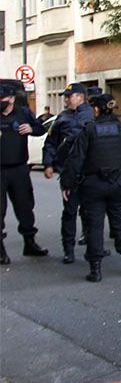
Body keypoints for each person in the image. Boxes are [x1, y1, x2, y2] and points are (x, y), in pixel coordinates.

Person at [60, 93, 121, 282]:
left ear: (96, 109)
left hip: (93, 185)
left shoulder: (89, 130)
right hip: (118, 183)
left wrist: (67, 184)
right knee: (120, 223)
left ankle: (96, 270)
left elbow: (76, 159)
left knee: (94, 226)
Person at [42, 83, 94, 263]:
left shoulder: (93, 115)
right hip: (69, 172)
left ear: (80, 96)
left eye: (69, 96)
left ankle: (94, 246)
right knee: (70, 212)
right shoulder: (62, 118)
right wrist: (48, 164)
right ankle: (69, 249)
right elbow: (50, 142)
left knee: (91, 212)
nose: (66, 100)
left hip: (90, 172)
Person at [0, 80, 48, 264]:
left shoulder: (24, 113)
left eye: (3, 98)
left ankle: (30, 243)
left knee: (25, 207)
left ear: (12, 99)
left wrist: (31, 128)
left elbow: (41, 128)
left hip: (19, 168)